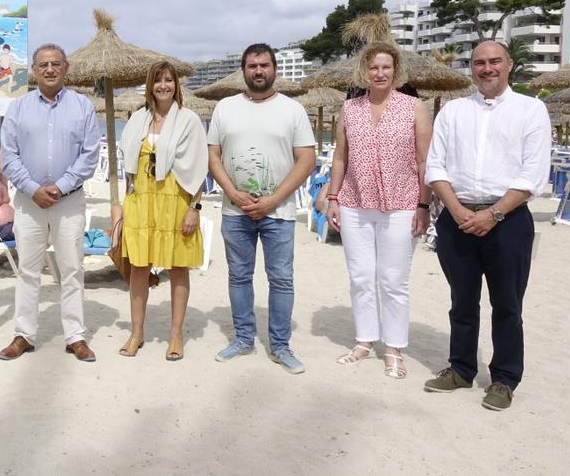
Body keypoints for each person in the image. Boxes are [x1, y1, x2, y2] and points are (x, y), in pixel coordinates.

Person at [423, 40, 551, 411]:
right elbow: (436, 167)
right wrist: (457, 210)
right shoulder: (453, 111)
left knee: (508, 304)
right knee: (461, 301)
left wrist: (492, 214)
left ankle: (504, 379)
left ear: (509, 64)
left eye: (495, 61)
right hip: (456, 218)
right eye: (479, 62)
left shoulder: (531, 110)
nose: (487, 68)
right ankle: (461, 369)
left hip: (509, 221)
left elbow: (533, 176)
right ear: (472, 69)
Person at [324, 42, 433, 379]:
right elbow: (341, 158)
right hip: (355, 204)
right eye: (374, 68)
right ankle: (364, 340)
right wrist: (332, 197)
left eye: (386, 68)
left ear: (396, 71)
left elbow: (424, 160)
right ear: (364, 72)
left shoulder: (415, 108)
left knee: (392, 280)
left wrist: (424, 205)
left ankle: (394, 348)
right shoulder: (350, 109)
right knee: (361, 278)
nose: (380, 73)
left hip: (402, 204)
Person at [207, 43, 315, 374]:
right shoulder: (225, 108)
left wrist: (272, 199)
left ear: (274, 69)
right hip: (235, 211)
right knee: (239, 276)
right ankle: (243, 338)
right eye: (252, 66)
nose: (258, 71)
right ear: (244, 70)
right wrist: (234, 193)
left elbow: (306, 159)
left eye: (264, 65)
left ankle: (280, 346)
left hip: (278, 212)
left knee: (281, 279)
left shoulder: (293, 110)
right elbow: (213, 156)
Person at [0, 44, 100, 362]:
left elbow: (90, 155)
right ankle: (24, 335)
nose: (50, 69)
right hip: (29, 202)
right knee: (28, 270)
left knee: (71, 269)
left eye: (56, 64)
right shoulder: (18, 108)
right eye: (43, 65)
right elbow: (8, 155)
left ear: (66, 68)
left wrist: (59, 186)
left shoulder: (83, 107)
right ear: (33, 69)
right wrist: (32, 188)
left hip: (68, 201)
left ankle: (75, 336)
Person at [118, 61, 208, 361]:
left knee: (178, 267)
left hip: (176, 199)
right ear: (150, 85)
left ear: (176, 85)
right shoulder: (137, 119)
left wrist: (194, 208)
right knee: (139, 268)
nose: (164, 86)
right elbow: (128, 170)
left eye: (169, 80)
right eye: (158, 81)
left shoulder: (189, 120)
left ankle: (175, 334)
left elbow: (198, 166)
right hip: (142, 200)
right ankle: (137, 332)